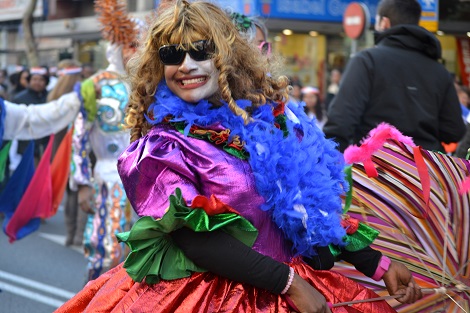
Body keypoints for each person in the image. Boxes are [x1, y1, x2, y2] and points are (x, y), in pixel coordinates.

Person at [56, 1, 421, 313]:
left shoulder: (266, 121)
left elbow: (306, 210)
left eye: (201, 49)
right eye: (172, 54)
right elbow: (194, 239)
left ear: (226, 56)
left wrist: (376, 262)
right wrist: (289, 284)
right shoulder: (165, 146)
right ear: (158, 66)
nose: (186, 64)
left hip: (292, 283)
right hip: (212, 295)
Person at [323, 0, 466, 153]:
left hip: (373, 171)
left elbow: (340, 123)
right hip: (425, 170)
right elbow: (454, 131)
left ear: (384, 23)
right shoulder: (440, 71)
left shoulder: (367, 61)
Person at [71, 0, 139, 282]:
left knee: (139, 258)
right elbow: (79, 137)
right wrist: (82, 183)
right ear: (117, 46)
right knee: (106, 248)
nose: (137, 52)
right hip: (109, 178)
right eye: (132, 45)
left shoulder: (149, 85)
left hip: (145, 185)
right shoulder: (96, 84)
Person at [47, 59, 88, 247]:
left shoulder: (54, 97)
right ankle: (79, 234)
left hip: (60, 151)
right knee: (82, 191)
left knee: (69, 192)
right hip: (83, 149)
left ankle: (70, 235)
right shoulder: (83, 96)